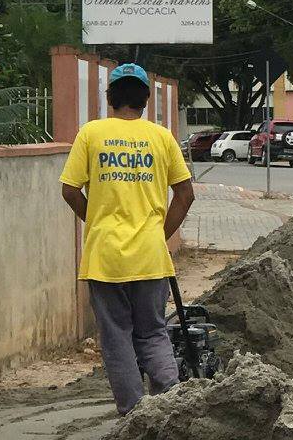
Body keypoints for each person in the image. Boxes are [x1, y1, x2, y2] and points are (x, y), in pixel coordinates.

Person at [60, 63, 197, 415]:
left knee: (117, 336)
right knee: (153, 331)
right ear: (145, 100)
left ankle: (134, 415)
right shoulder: (162, 137)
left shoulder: (91, 134)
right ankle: (169, 405)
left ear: (110, 98)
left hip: (105, 257)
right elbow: (185, 195)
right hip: (150, 256)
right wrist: (158, 234)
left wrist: (97, 220)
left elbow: (70, 190)